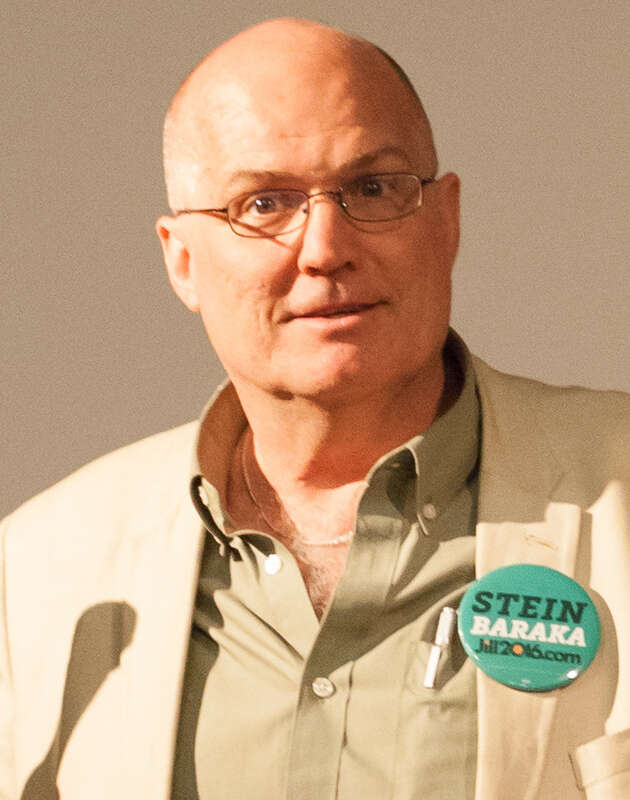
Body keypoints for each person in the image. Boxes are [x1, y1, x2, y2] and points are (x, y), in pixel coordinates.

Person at [1, 17, 629, 800]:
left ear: (447, 219)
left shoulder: (620, 482)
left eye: (373, 188)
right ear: (182, 260)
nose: (326, 246)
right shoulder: (35, 572)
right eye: (262, 203)